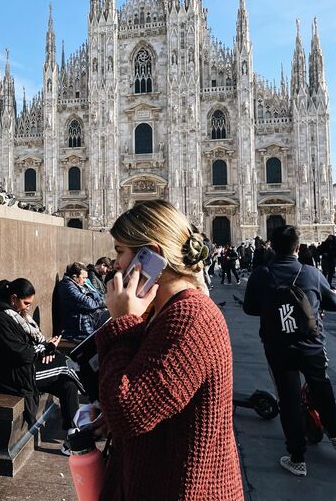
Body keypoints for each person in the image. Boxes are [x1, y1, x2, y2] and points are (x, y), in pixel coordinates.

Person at [95, 200, 243, 500]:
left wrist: (123, 322)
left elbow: (128, 412)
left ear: (151, 255)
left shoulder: (190, 317)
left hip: (185, 489)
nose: (116, 266)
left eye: (119, 252)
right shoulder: (165, 311)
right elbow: (145, 396)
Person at [244, 225, 336, 477]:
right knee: (320, 385)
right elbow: (335, 305)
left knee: (289, 399)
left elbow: (250, 309)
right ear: (297, 247)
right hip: (311, 345)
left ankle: (296, 458)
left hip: (277, 346)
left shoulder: (261, 274)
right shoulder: (311, 273)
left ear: (271, 246)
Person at [0, 278, 80, 451]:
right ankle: (96, 400)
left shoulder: (14, 314)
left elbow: (30, 345)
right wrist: (46, 350)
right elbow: (19, 352)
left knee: (68, 385)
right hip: (12, 375)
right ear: (13, 298)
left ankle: (72, 436)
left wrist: (47, 349)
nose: (28, 307)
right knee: (66, 364)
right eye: (26, 302)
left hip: (26, 366)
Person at [58, 262, 107, 339]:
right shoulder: (67, 286)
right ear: (75, 276)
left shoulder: (75, 285)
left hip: (85, 325)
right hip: (77, 330)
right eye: (83, 278)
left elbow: (94, 295)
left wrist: (91, 296)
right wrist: (94, 298)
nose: (85, 281)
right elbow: (90, 304)